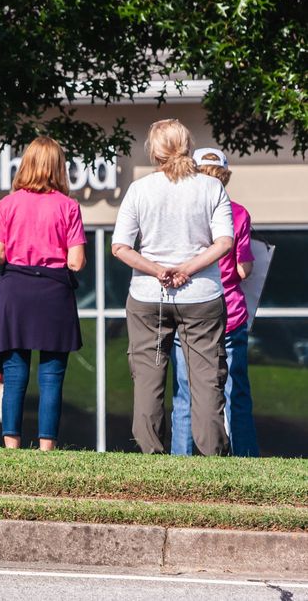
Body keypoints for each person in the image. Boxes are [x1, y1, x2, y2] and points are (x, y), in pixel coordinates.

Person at [112, 120, 233, 456]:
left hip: (149, 296)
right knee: (207, 379)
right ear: (188, 146)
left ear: (154, 151)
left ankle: (152, 456)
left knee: (149, 379)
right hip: (202, 296)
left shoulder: (140, 189)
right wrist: (188, 269)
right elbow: (225, 241)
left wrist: (158, 270)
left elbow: (120, 247)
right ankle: (213, 458)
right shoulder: (211, 188)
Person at [0, 137, 86, 451]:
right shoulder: (69, 207)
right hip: (54, 293)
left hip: (15, 291)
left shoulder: (8, 204)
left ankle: (11, 445)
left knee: (14, 373)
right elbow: (76, 262)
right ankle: (46, 448)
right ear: (59, 167)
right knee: (52, 375)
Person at [170, 148, 259, 456]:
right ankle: (245, 456)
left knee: (186, 391)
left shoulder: (182, 210)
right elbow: (242, 269)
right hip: (229, 313)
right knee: (235, 391)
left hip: (189, 311)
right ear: (225, 176)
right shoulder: (238, 213)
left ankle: (181, 461)